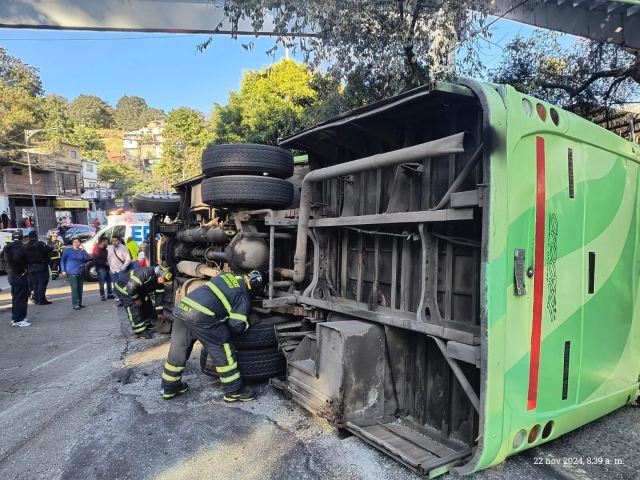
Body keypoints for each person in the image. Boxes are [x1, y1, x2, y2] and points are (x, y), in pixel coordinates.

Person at [160, 270, 267, 402]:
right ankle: (234, 391)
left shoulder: (228, 275)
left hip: (183, 308)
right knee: (223, 348)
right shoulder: (243, 296)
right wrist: (249, 322)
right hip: (202, 316)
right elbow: (236, 326)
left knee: (177, 351)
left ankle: (169, 387)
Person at [115, 265, 174, 339]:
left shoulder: (159, 282)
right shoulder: (145, 273)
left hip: (138, 289)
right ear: (160, 275)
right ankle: (140, 331)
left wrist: (159, 313)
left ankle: (146, 325)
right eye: (164, 280)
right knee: (135, 308)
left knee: (147, 305)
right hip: (124, 287)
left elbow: (159, 297)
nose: (164, 283)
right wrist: (136, 298)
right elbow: (131, 287)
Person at [4, 232, 30, 327]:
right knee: (21, 297)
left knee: (16, 297)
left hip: (11, 274)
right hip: (19, 275)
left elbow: (2, 258)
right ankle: (19, 320)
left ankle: (15, 317)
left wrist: (6, 268)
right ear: (22, 238)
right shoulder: (20, 247)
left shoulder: (7, 247)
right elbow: (17, 258)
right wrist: (23, 269)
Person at [60, 236, 92, 310]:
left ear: (80, 243)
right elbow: (62, 260)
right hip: (71, 272)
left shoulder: (81, 251)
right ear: (72, 243)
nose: (76, 243)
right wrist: (63, 270)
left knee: (80, 289)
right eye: (74, 242)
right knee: (74, 288)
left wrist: (84, 250)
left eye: (78, 242)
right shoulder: (68, 251)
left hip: (80, 272)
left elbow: (87, 258)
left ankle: (79, 303)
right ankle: (76, 304)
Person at [24, 231, 54, 305]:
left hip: (30, 266)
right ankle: (41, 299)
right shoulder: (39, 243)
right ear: (36, 236)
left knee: (35, 283)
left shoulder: (26, 245)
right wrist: (52, 247)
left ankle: (37, 299)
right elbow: (48, 249)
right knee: (42, 282)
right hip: (41, 265)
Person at [107, 236, 131, 306]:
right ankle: (118, 297)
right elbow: (109, 258)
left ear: (119, 241)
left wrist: (122, 268)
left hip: (121, 270)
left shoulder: (123, 248)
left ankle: (124, 299)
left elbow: (128, 259)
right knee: (115, 285)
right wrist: (111, 267)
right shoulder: (110, 248)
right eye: (113, 241)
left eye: (115, 241)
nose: (114, 242)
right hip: (113, 270)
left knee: (122, 285)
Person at [92, 236, 115, 301]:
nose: (107, 243)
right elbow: (96, 260)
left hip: (107, 268)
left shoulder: (105, 250)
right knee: (102, 282)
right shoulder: (96, 249)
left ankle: (109, 294)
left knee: (109, 281)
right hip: (101, 268)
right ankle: (102, 295)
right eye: (106, 242)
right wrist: (105, 263)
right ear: (103, 241)